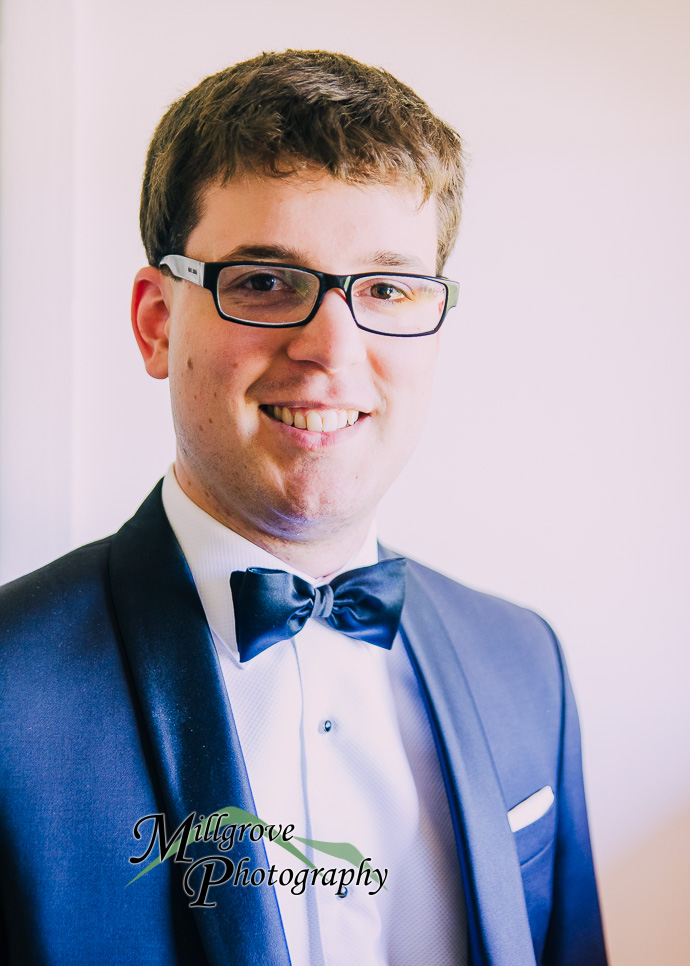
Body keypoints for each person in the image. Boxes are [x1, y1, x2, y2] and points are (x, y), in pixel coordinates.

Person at [0, 50, 606, 966]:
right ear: (157, 321)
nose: (333, 349)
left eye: (389, 287)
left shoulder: (526, 664)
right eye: (264, 282)